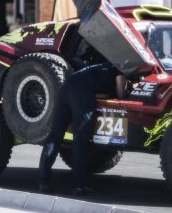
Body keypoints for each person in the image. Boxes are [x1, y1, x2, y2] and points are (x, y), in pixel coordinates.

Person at [38, 62, 130, 196]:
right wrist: (127, 92)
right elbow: (121, 95)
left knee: (55, 136)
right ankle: (78, 186)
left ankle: (43, 181)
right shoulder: (119, 70)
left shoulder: (100, 67)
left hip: (66, 86)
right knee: (81, 140)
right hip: (81, 92)